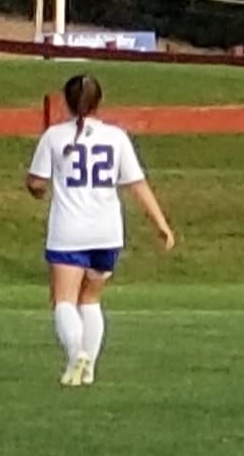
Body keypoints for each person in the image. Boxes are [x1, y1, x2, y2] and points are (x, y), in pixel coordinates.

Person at [26, 73, 175, 387]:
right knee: (91, 299)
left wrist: (38, 190)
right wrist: (161, 224)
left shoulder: (54, 137)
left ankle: (77, 353)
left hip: (69, 229)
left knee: (64, 300)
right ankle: (89, 368)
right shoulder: (116, 137)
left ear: (66, 101)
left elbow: (36, 182)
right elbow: (137, 184)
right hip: (107, 232)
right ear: (98, 102)